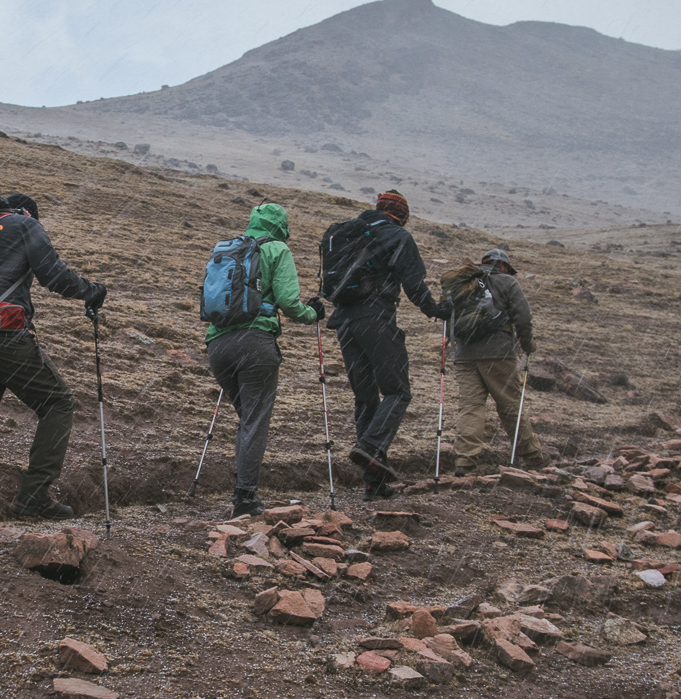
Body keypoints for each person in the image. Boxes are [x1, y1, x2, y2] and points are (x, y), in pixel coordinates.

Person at [0, 191, 107, 557]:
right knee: (58, 402)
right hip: (0, 335)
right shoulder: (24, 224)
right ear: (28, 213)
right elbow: (55, 276)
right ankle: (34, 493)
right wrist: (91, 292)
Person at [323, 189, 450, 499]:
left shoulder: (349, 233)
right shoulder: (397, 236)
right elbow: (414, 284)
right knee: (397, 391)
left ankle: (374, 483)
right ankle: (370, 446)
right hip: (376, 319)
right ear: (403, 216)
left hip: (344, 323)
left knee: (366, 399)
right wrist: (438, 310)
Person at [204, 202, 324, 516]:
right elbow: (288, 301)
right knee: (255, 422)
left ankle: (242, 488)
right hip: (255, 344)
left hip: (218, 345)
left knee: (248, 419)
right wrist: (313, 314)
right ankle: (244, 498)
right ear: (281, 226)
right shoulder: (277, 249)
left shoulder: (229, 248)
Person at [450, 247, 547, 473]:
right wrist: (527, 345)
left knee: (470, 408)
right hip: (498, 352)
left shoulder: (464, 281)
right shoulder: (507, 282)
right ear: (503, 266)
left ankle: (465, 460)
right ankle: (533, 457)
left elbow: (450, 315)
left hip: (465, 354)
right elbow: (523, 317)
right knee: (511, 405)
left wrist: (451, 344)